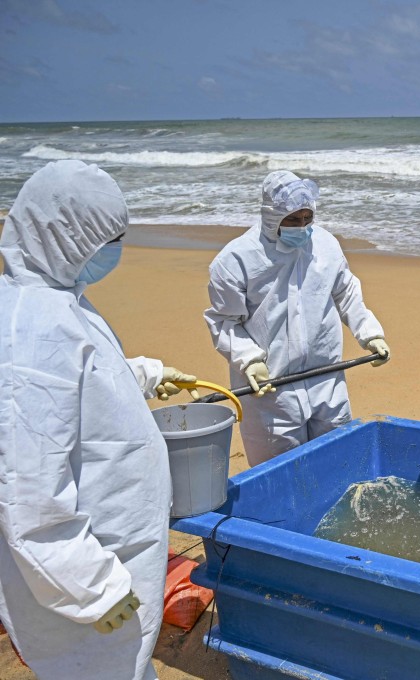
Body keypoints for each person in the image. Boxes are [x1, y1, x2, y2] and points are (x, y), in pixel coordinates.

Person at [0, 160, 197, 679]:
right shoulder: (31, 332)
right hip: (84, 589)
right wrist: (93, 589)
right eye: (104, 238)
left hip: (106, 559)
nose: (112, 250)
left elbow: (85, 389)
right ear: (62, 236)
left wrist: (149, 375)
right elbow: (28, 494)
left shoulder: (58, 306)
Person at [205, 170, 390, 466]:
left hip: (325, 377)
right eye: (292, 220)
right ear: (270, 216)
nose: (301, 227)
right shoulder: (236, 259)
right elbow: (224, 322)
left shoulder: (326, 245)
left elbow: (346, 292)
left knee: (336, 459)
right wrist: (249, 360)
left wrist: (370, 332)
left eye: (307, 219)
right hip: (272, 390)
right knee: (283, 467)